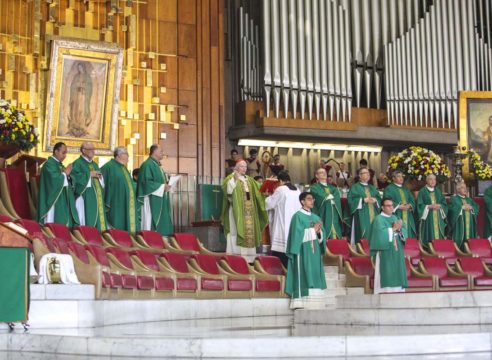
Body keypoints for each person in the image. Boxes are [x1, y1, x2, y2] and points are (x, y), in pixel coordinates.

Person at [285, 192, 327, 309]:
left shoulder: (316, 217)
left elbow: (321, 239)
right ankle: (302, 301)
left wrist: (319, 233)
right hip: (303, 251)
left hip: (315, 252)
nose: (312, 201)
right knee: (305, 271)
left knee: (314, 272)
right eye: (309, 199)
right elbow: (296, 237)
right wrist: (312, 230)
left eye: (313, 199)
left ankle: (316, 301)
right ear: (302, 201)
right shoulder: (297, 216)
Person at [220, 159, 268, 262]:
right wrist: (235, 180)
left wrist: (267, 187)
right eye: (242, 166)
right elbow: (227, 191)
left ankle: (249, 259)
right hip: (236, 212)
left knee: (249, 234)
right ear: (236, 167)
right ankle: (236, 259)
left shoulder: (250, 180)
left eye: (245, 166)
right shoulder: (230, 178)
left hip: (250, 213)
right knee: (236, 232)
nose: (244, 168)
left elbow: (260, 191)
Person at [369, 197, 407, 294]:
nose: (391, 208)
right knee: (387, 271)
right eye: (388, 206)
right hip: (385, 252)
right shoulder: (378, 219)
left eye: (392, 206)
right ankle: (385, 291)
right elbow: (378, 235)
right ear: (382, 207)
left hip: (397, 251)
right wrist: (393, 229)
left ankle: (399, 290)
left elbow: (403, 231)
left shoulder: (395, 217)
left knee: (397, 270)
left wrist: (399, 229)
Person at [38, 142, 79, 226]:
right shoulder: (49, 164)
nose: (65, 155)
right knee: (53, 222)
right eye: (63, 153)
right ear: (56, 152)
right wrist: (65, 173)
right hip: (53, 200)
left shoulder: (59, 165)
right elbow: (53, 180)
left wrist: (69, 176)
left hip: (61, 198)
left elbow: (66, 177)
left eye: (66, 153)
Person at [265, 171, 301, 267]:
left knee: (281, 247)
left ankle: (280, 267)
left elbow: (270, 204)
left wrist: (267, 196)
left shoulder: (281, 189)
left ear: (280, 181)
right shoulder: (297, 190)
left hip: (283, 222)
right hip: (294, 222)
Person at [100, 147, 139, 234]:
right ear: (119, 155)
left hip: (127, 203)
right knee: (118, 229)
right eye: (126, 154)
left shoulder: (123, 168)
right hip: (116, 204)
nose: (128, 156)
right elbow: (102, 186)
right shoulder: (108, 167)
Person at [71, 142, 108, 231]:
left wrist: (100, 177)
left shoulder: (94, 164)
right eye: (90, 149)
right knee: (86, 218)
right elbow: (74, 178)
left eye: (93, 149)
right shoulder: (77, 163)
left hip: (96, 198)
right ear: (83, 151)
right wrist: (89, 175)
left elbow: (100, 180)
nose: (93, 151)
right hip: (85, 197)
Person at [137, 144, 173, 236]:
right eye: (161, 151)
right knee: (150, 223)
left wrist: (166, 185)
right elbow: (146, 183)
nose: (162, 153)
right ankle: (150, 242)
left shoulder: (157, 166)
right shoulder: (147, 165)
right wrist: (162, 187)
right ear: (154, 152)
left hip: (159, 198)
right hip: (150, 200)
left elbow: (159, 182)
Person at [346, 167, 381, 245]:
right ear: (360, 175)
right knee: (363, 233)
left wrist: (376, 200)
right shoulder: (355, 187)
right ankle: (362, 252)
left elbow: (379, 199)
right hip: (361, 214)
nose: (368, 175)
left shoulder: (372, 187)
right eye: (365, 173)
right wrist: (362, 200)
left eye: (368, 173)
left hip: (374, 214)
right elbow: (350, 201)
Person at [309, 168, 343, 239]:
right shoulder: (314, 187)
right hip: (323, 213)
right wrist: (328, 197)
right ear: (316, 176)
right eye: (321, 172)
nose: (324, 173)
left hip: (334, 214)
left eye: (325, 172)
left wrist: (329, 198)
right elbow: (318, 196)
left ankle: (337, 246)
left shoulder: (333, 188)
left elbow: (336, 198)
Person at [383, 170, 417, 238]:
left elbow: (412, 200)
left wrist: (410, 205)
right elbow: (386, 200)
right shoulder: (389, 189)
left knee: (408, 232)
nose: (401, 178)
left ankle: (409, 247)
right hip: (396, 214)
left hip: (407, 214)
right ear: (393, 178)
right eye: (399, 176)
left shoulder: (406, 189)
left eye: (402, 176)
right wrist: (398, 206)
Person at [416, 173, 447, 247]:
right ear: (426, 181)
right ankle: (428, 249)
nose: (433, 181)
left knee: (438, 236)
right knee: (429, 233)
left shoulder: (438, 191)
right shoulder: (422, 191)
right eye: (430, 179)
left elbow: (444, 203)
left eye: (434, 179)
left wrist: (440, 206)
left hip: (438, 217)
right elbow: (419, 205)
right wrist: (429, 206)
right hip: (428, 218)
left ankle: (439, 248)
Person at [448, 181, 479, 248]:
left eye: (465, 188)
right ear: (458, 189)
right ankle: (459, 249)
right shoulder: (454, 199)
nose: (465, 189)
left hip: (469, 224)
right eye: (462, 188)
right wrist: (461, 208)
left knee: (470, 239)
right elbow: (451, 209)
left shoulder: (469, 200)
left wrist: (471, 207)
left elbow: (476, 207)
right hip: (459, 224)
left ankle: (470, 248)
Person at [68, 62, 93, 137]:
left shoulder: (87, 77)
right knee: (75, 109)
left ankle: (82, 125)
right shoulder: (76, 76)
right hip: (76, 96)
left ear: (83, 68)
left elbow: (90, 87)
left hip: (83, 97)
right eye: (78, 68)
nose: (79, 69)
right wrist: (76, 86)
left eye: (80, 68)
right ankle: (75, 124)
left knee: (81, 110)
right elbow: (72, 86)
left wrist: (84, 87)